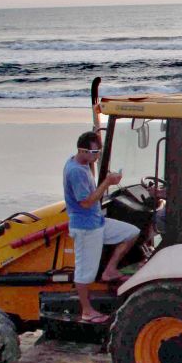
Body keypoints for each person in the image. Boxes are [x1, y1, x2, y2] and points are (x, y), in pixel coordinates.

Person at [63, 131, 140, 323]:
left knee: (132, 233)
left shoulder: (83, 164)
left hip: (98, 222)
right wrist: (107, 182)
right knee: (85, 273)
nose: (97, 156)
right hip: (86, 228)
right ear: (82, 150)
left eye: (99, 151)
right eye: (94, 152)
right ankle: (87, 311)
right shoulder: (76, 171)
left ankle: (110, 270)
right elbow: (86, 202)